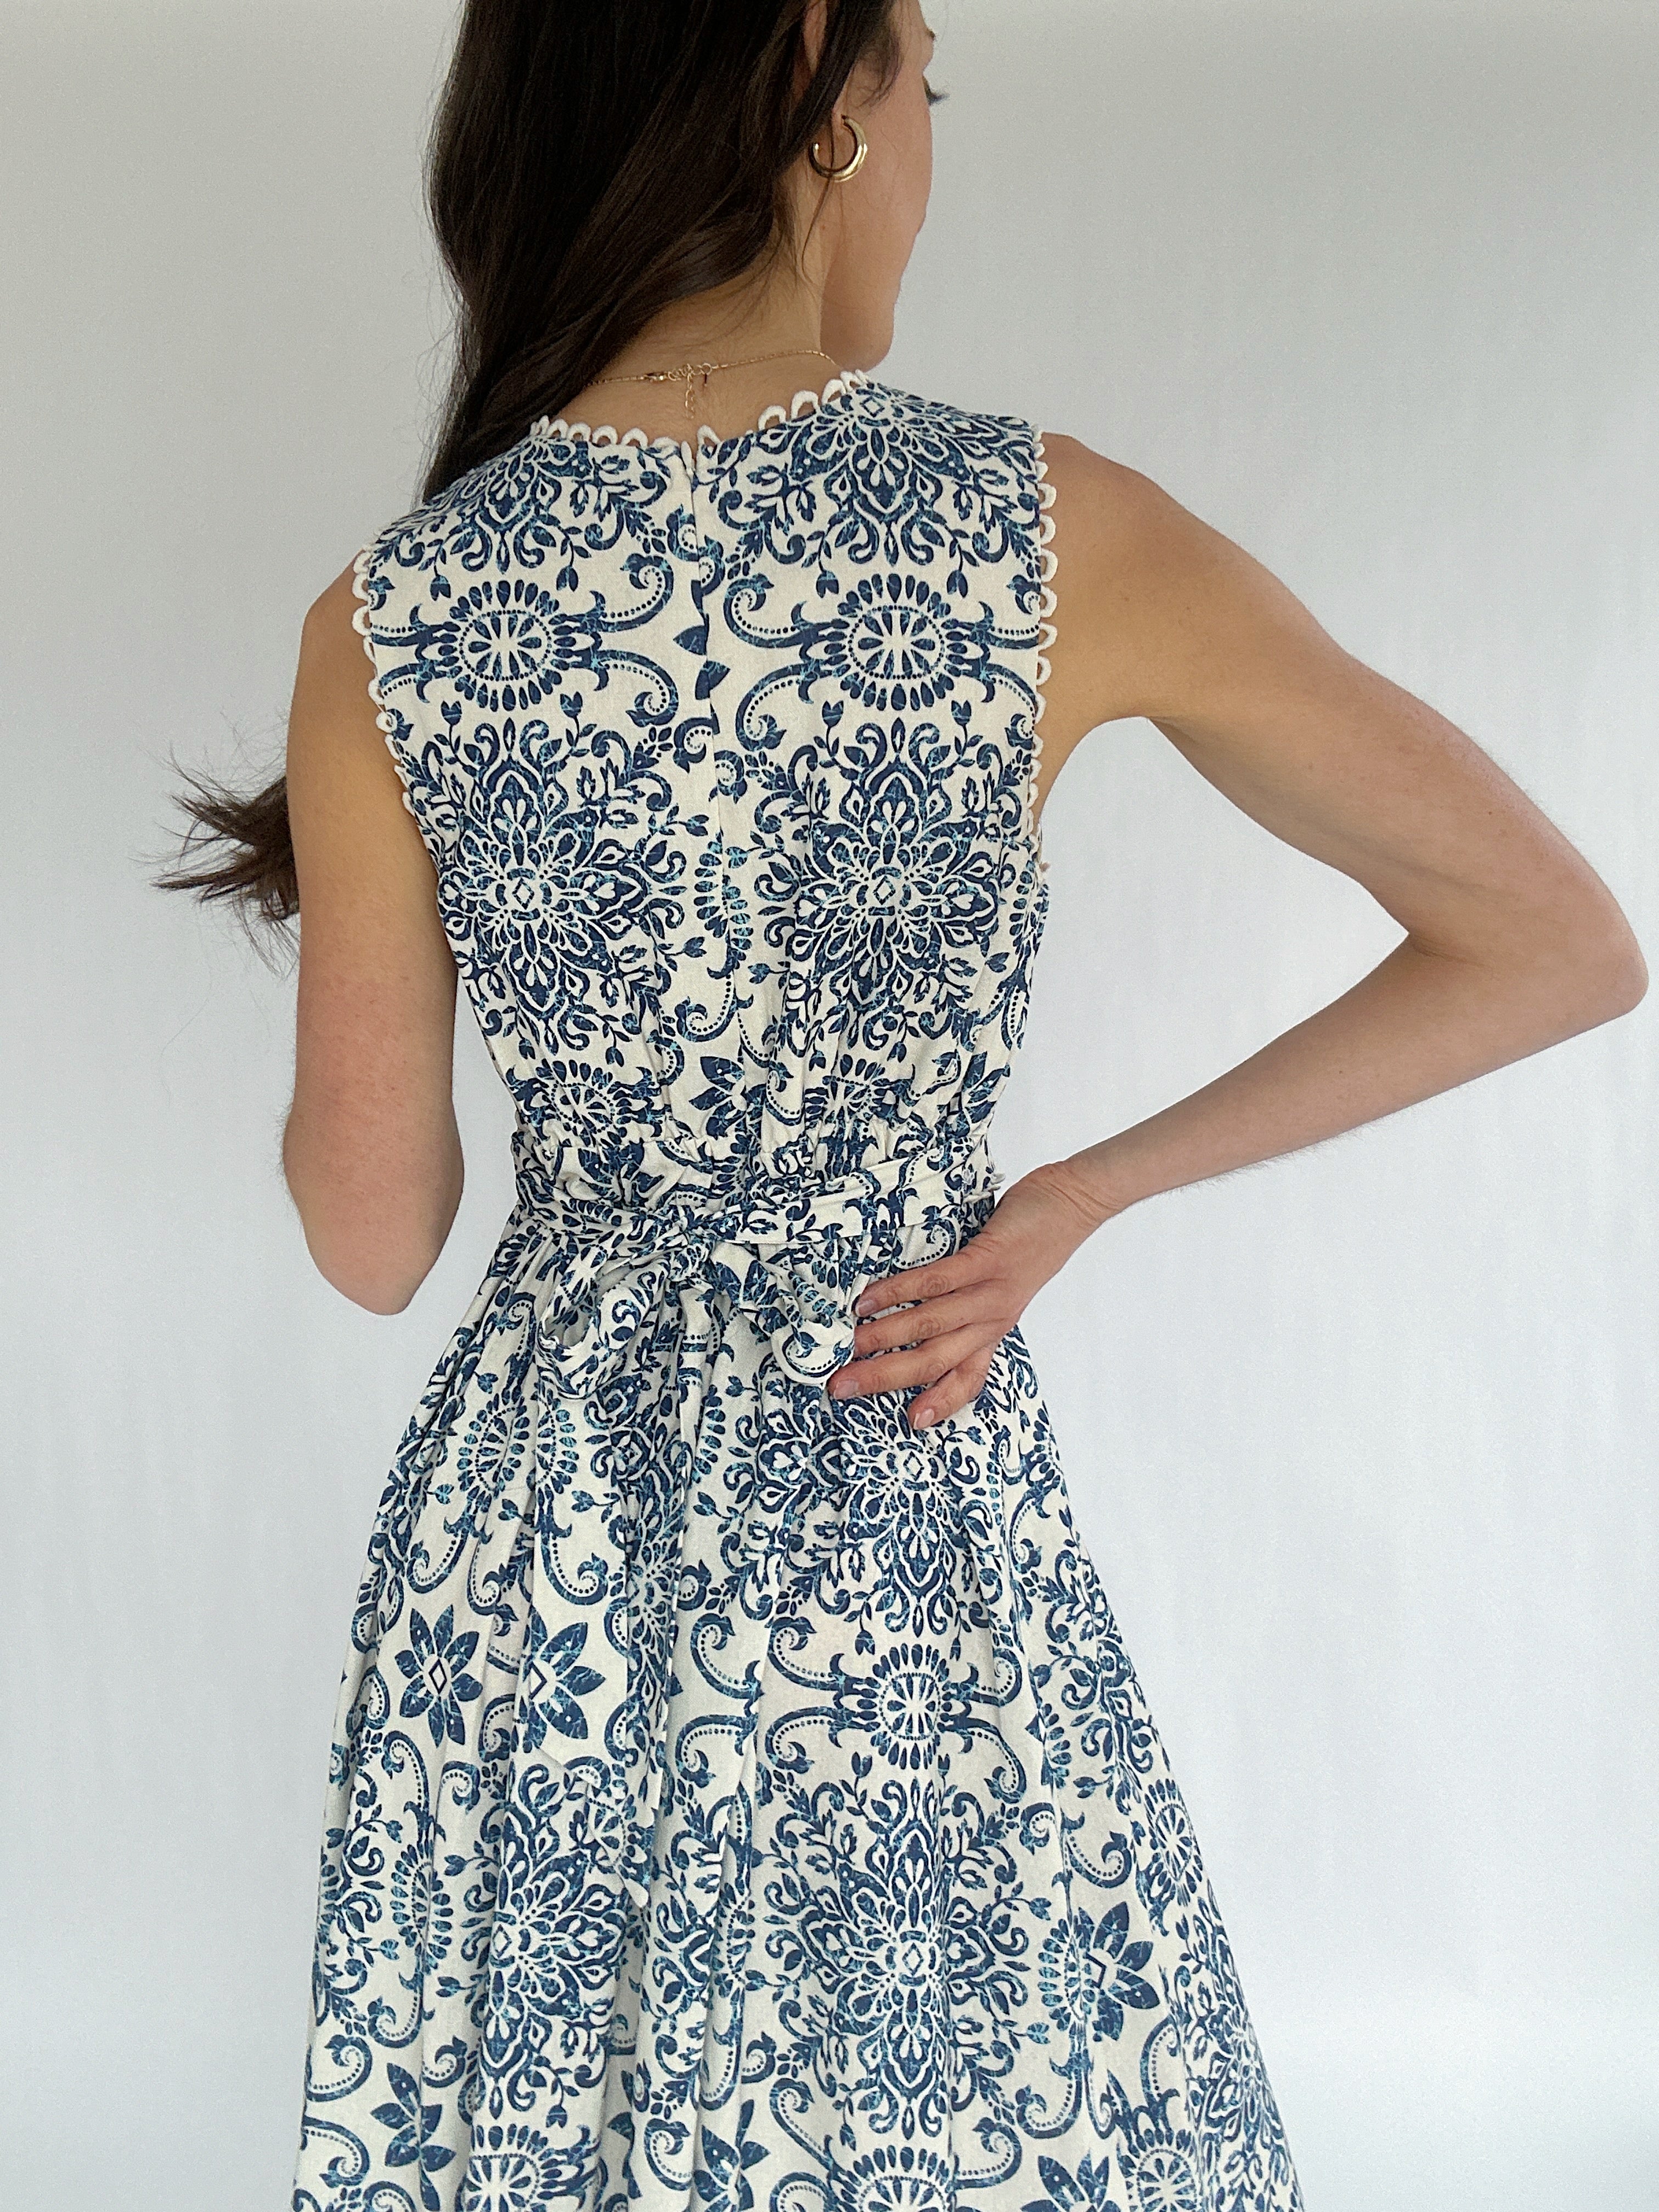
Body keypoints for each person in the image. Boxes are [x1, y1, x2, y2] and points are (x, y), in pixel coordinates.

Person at [159, 4, 1645, 2209]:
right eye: (923, 77)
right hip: (897, 1452)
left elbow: (372, 1238)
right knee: (959, 2100)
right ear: (820, 102)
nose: (927, 131)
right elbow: (1557, 937)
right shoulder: (1046, 533)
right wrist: (1073, 1198)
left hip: (552, 1539)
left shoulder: (391, 620)